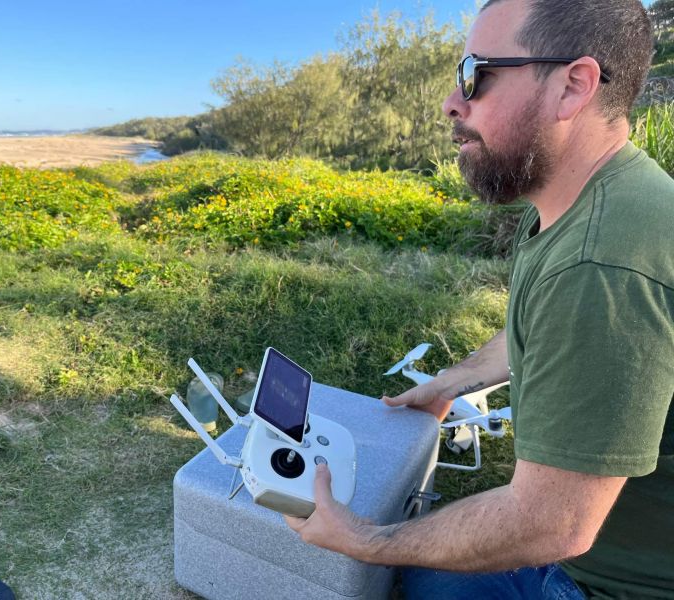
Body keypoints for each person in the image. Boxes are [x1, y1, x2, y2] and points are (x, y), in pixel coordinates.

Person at [284, 0, 674, 598]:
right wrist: (451, 381)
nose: (451, 103)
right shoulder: (584, 199)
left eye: (477, 74)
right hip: (593, 546)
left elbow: (551, 525)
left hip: (607, 581)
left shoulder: (601, 263)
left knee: (401, 581)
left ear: (573, 87)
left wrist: (366, 540)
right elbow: (540, 330)